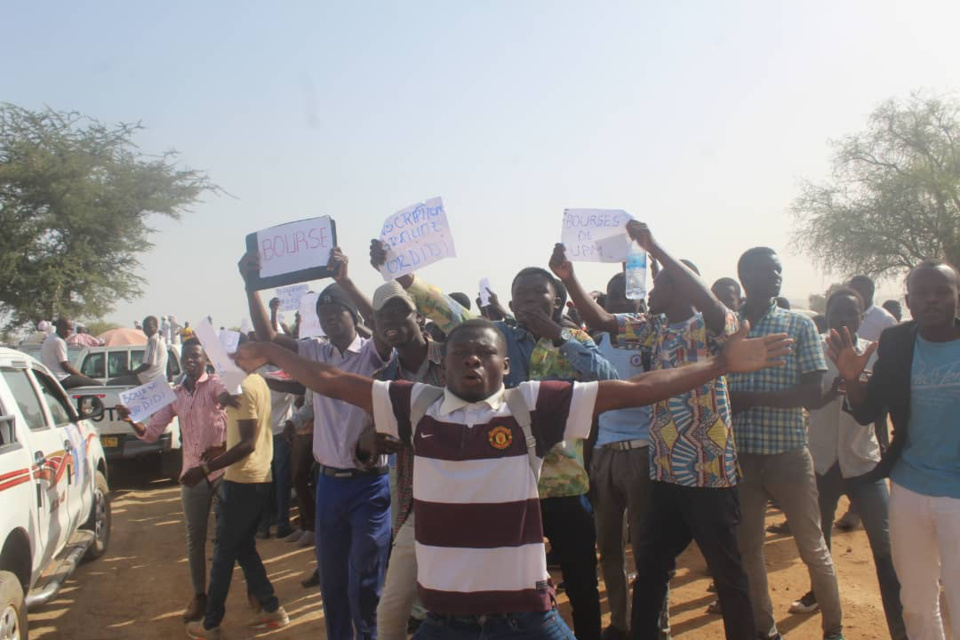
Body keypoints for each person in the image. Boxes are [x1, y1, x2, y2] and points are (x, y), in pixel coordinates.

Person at [231, 316, 791, 640]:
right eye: (461, 354)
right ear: (443, 364)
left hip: (526, 619)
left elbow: (637, 388)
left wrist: (720, 364)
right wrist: (272, 348)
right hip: (445, 622)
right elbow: (330, 379)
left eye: (485, 354)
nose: (472, 361)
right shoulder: (414, 406)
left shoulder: (531, 407)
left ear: (505, 365)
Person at [371, 241, 618, 640]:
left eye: (538, 294)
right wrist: (402, 273)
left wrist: (558, 335)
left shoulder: (574, 339)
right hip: (502, 490)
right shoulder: (495, 337)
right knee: (503, 590)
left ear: (556, 302)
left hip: (564, 486)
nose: (528, 301)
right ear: (511, 303)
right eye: (521, 295)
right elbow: (446, 310)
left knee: (581, 581)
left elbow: (607, 380)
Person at [553, 221, 754, 640]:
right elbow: (602, 320)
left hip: (708, 474)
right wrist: (569, 278)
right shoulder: (653, 327)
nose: (649, 291)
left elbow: (709, 302)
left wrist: (655, 247)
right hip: (664, 473)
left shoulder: (712, 328)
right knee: (650, 569)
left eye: (659, 283)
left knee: (727, 573)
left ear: (680, 288)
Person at [239, 250, 392, 640]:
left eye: (336, 314)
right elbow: (269, 339)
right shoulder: (315, 351)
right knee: (334, 580)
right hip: (329, 486)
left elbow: (384, 323)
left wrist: (345, 281)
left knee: (365, 581)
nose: (329, 321)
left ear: (353, 317)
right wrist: (252, 286)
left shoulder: (373, 352)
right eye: (323, 317)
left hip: (369, 485)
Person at [828, 260, 960, 640]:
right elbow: (868, 410)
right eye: (922, 293)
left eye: (942, 292)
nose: (932, 300)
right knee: (916, 603)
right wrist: (852, 379)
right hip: (909, 489)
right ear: (909, 301)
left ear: (956, 296)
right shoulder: (897, 342)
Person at [727, 246, 843, 640]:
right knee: (749, 550)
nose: (776, 276)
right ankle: (766, 630)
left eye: (778, 270)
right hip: (741, 457)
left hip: (788, 455)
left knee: (812, 546)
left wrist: (751, 398)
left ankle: (834, 630)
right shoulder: (730, 328)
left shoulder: (798, 325)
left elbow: (812, 393)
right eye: (767, 270)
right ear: (745, 276)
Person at [544, 263, 654, 640]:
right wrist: (588, 463)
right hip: (605, 452)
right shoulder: (595, 342)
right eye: (615, 297)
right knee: (608, 549)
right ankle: (620, 623)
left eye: (629, 296)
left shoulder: (649, 341)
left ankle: (654, 627)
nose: (622, 303)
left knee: (646, 551)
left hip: (643, 452)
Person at [794, 289, 906, 639]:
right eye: (837, 312)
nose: (844, 319)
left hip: (864, 464)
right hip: (821, 462)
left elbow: (880, 408)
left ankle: (900, 627)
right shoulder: (813, 349)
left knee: (886, 548)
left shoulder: (875, 353)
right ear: (827, 315)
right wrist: (833, 389)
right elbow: (805, 401)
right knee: (818, 545)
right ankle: (819, 598)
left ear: (862, 317)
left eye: (852, 313)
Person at [117, 338, 229, 622]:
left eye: (196, 356)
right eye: (186, 356)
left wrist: (230, 398)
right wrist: (131, 421)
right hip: (192, 473)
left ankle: (240, 591)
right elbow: (151, 433)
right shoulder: (174, 394)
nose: (190, 360)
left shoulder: (215, 384)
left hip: (221, 471)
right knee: (195, 538)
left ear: (205, 360)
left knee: (229, 536)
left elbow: (228, 397)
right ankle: (199, 596)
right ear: (180, 361)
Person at [182, 363, 290, 638]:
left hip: (243, 480)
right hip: (257, 477)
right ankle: (271, 607)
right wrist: (223, 447)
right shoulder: (257, 381)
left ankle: (211, 623)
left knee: (223, 554)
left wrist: (205, 469)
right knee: (243, 548)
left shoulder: (242, 387)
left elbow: (248, 443)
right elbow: (247, 435)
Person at [257, 368, 296, 539]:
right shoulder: (286, 371)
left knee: (267, 482)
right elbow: (298, 390)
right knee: (281, 482)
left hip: (270, 434)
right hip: (277, 434)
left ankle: (265, 526)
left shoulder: (257, 372)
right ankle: (281, 524)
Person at [42, 318, 101, 388]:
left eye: (71, 329)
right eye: (67, 329)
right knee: (98, 384)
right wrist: (83, 377)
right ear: (59, 327)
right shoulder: (59, 341)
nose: (69, 332)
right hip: (61, 378)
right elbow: (65, 366)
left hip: (50, 378)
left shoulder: (50, 338)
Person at [110, 316, 168, 385]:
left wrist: (133, 372)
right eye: (145, 327)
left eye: (150, 327)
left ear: (156, 327)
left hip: (148, 378)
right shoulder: (161, 340)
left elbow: (147, 364)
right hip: (158, 378)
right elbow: (168, 362)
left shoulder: (153, 340)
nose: (147, 330)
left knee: (111, 383)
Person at [849, 275, 897, 342]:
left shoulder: (885, 320)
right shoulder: (845, 317)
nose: (853, 295)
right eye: (851, 291)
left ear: (870, 292)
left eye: (858, 290)